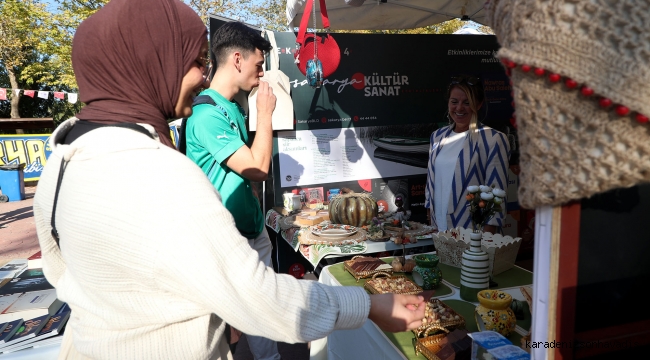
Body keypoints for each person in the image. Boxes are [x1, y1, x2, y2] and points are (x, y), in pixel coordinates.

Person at [32, 0, 426, 358]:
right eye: (191, 62)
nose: (201, 76)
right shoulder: (156, 170)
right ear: (151, 63)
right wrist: (369, 304)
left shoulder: (64, 159)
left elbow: (61, 272)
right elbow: (257, 296)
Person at [183, 21, 278, 360]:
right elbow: (258, 168)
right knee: (238, 318)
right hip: (227, 240)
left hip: (250, 230)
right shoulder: (206, 114)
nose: (262, 72)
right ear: (237, 59)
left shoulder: (232, 106)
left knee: (262, 312)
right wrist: (265, 113)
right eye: (258, 64)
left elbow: (242, 174)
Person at [424, 75, 510, 234]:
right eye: (454, 102)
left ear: (478, 104)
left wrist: (486, 240)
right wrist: (431, 222)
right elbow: (431, 184)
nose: (459, 108)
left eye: (467, 102)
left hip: (473, 233)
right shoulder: (437, 136)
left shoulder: (493, 139)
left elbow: (496, 197)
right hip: (440, 229)